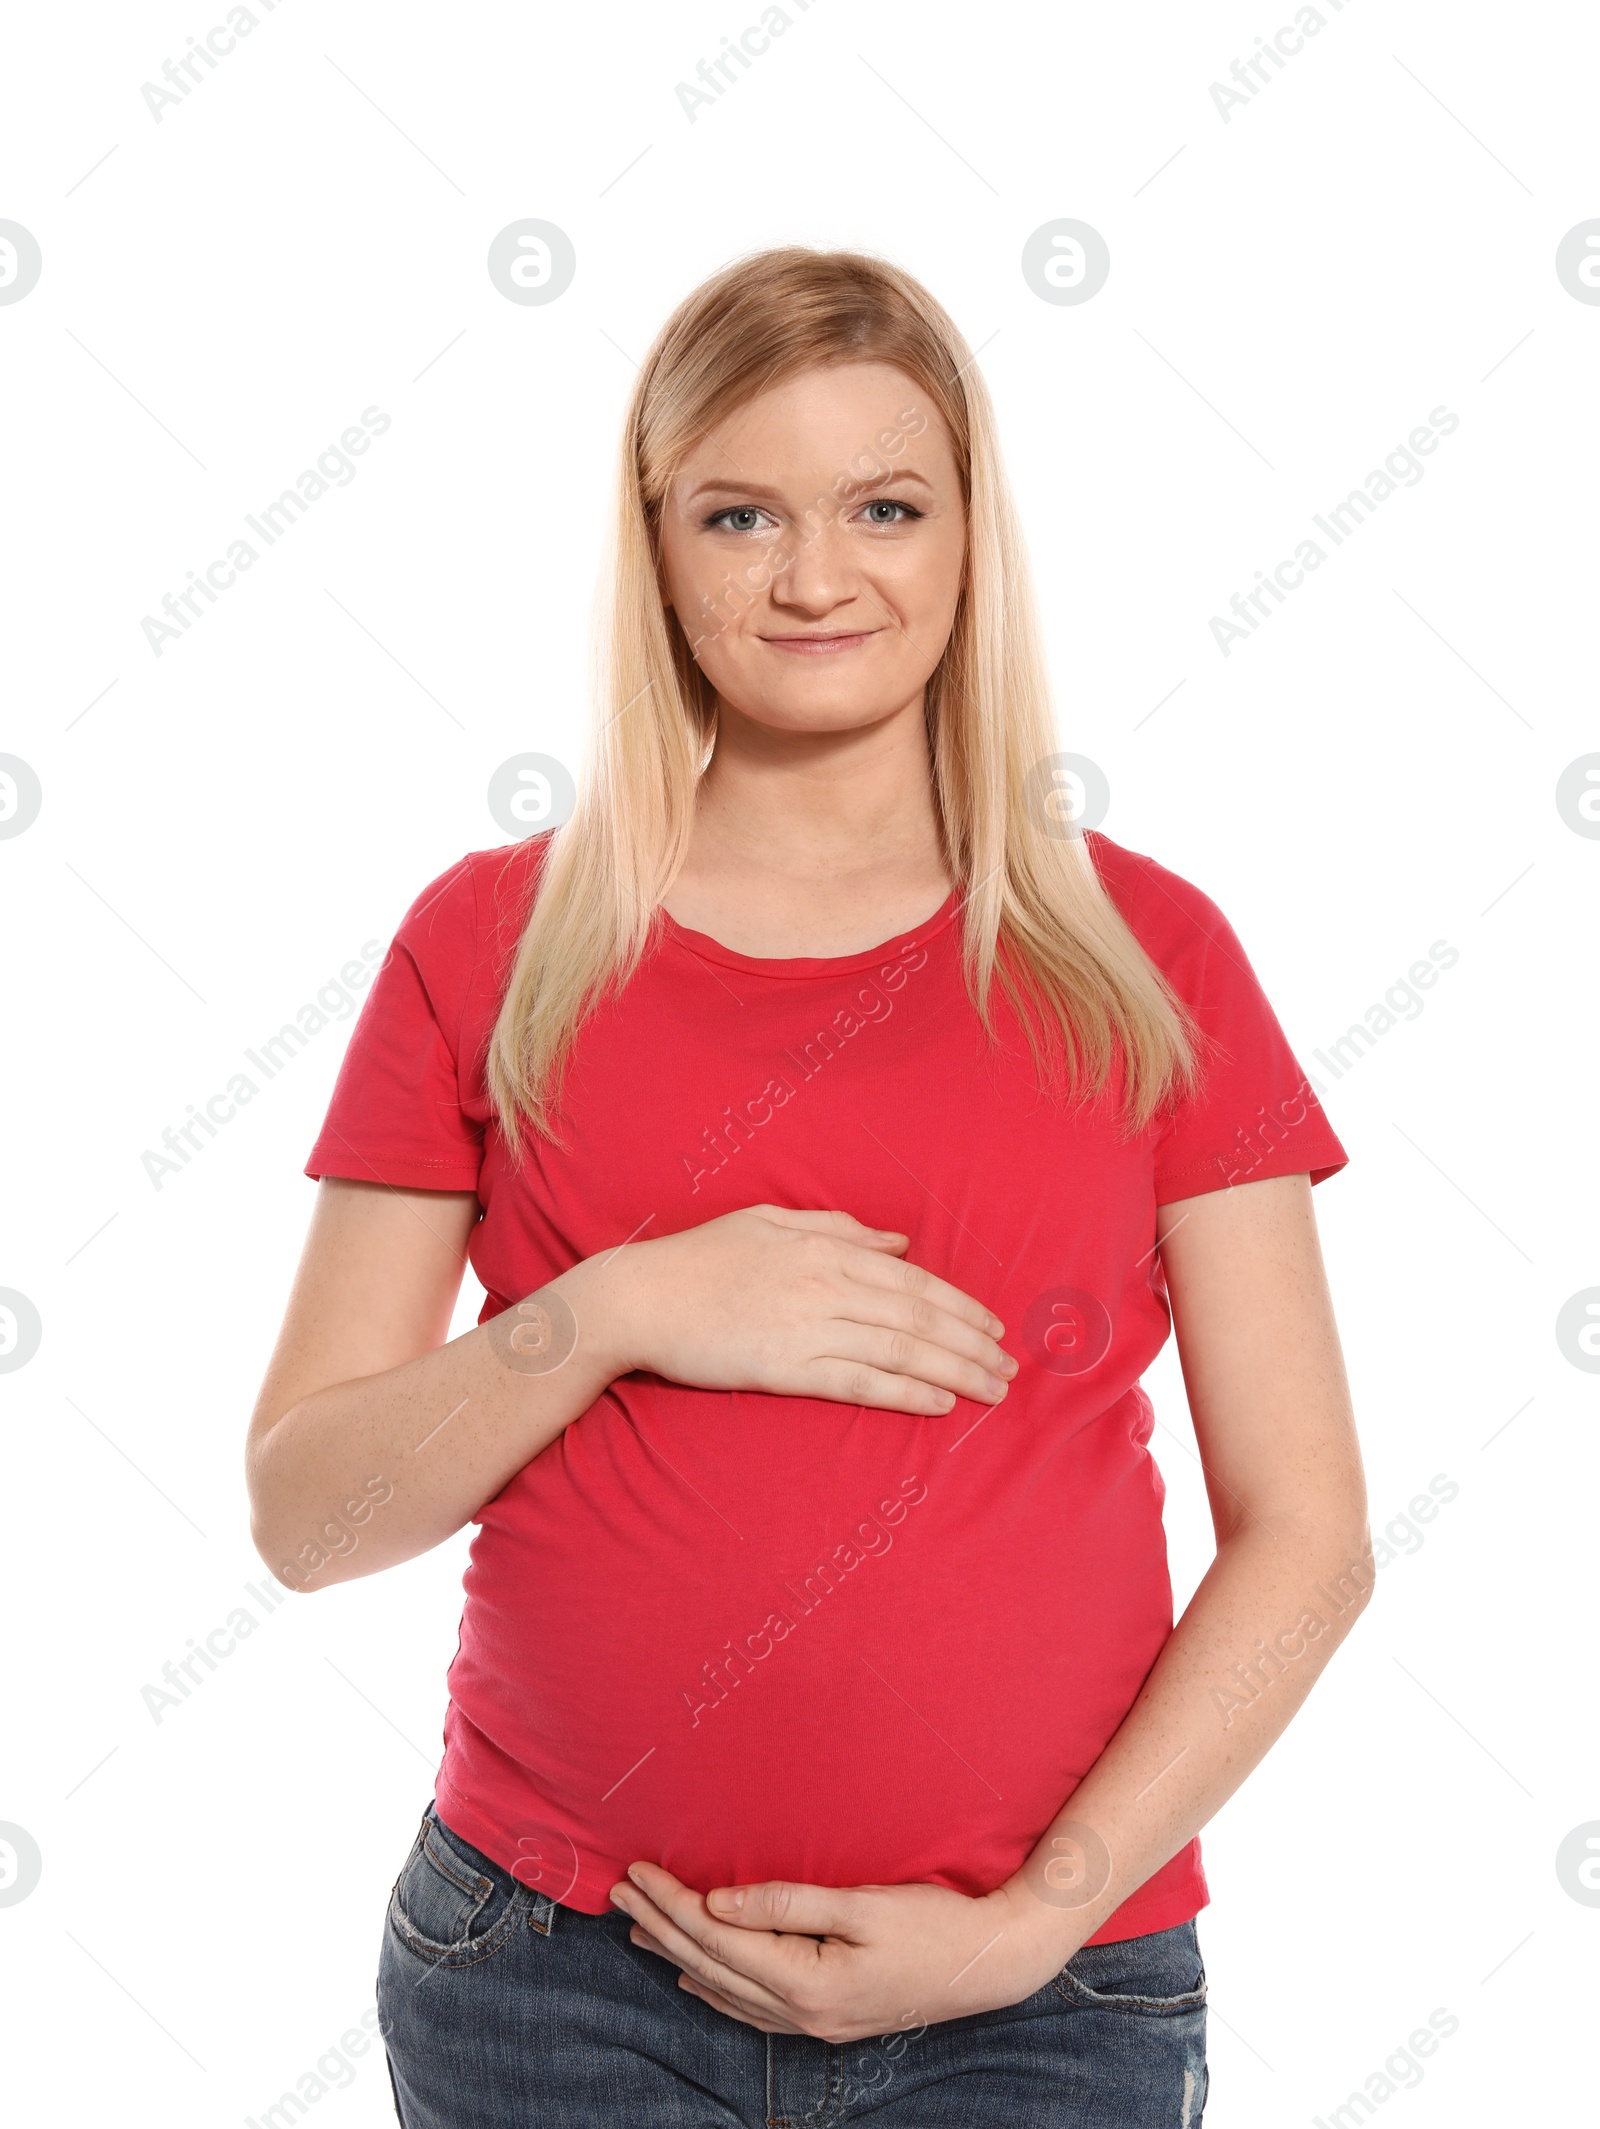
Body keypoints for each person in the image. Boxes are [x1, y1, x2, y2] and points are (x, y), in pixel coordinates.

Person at [246, 247, 1372, 2128]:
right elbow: (308, 1513)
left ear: (965, 539)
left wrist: (1035, 1921)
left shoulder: (1146, 955)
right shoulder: (487, 946)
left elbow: (1310, 1532)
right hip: (552, 1982)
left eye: (885, 507)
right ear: (657, 543)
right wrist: (618, 1305)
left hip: (1043, 2000)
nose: (816, 574)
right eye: (741, 512)